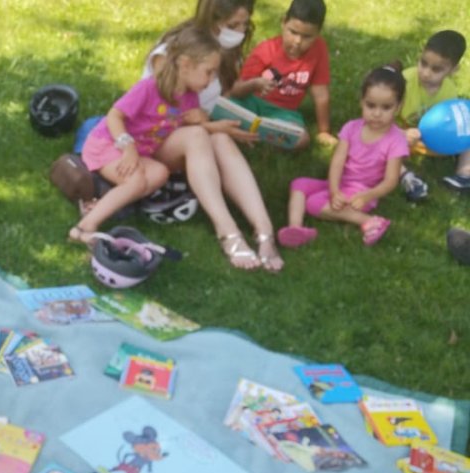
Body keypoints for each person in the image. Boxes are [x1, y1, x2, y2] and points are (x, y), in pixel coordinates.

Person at [70, 26, 282, 272]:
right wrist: (127, 147)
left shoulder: (190, 97)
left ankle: (262, 231)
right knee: (138, 180)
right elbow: (115, 115)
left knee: (158, 173)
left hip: (146, 148)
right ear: (185, 65)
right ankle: (86, 226)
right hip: (111, 144)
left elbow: (178, 125)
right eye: (209, 72)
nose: (212, 79)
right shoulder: (150, 87)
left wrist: (211, 124)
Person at [141, 0, 285, 272]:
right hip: (154, 140)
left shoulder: (223, 51)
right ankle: (227, 231)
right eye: (233, 25)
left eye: (245, 24)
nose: (240, 31)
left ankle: (264, 230)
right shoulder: (171, 56)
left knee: (219, 139)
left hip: (197, 135)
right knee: (201, 136)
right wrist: (212, 127)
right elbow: (162, 118)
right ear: (212, 19)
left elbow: (217, 98)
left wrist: (234, 118)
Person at [277, 65, 410, 248]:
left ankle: (370, 221)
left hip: (362, 193)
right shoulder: (352, 128)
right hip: (340, 184)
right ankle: (296, 228)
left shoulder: (396, 140)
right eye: (371, 105)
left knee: (314, 203)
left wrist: (366, 195)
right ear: (361, 102)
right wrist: (333, 190)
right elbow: (337, 162)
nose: (377, 113)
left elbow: (390, 180)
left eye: (386, 107)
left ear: (398, 107)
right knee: (299, 184)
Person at [228, 0, 336, 149]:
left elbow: (321, 94)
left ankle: (253, 133)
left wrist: (324, 131)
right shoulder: (266, 49)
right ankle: (259, 132)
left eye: (307, 36)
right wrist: (255, 84)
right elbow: (237, 89)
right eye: (293, 32)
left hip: (284, 113)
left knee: (302, 139)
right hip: (251, 102)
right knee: (223, 105)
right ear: (283, 22)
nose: (297, 41)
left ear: (318, 33)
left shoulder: (319, 50)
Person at [396, 30, 470, 200]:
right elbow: (384, 120)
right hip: (404, 138)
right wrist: (402, 134)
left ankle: (464, 175)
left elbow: (451, 122)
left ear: (453, 70)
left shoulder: (449, 90)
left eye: (436, 69)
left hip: (436, 144)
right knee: (379, 143)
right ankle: (408, 178)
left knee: (468, 128)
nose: (426, 73)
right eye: (423, 63)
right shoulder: (404, 82)